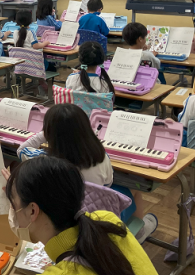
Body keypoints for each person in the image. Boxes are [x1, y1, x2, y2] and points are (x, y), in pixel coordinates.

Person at [0, 156, 159, 275]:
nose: (12, 209)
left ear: (33, 211)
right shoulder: (106, 219)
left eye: (13, 203)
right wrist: (18, 192)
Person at [17, 104, 157, 242]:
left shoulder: (43, 161)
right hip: (99, 218)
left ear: (49, 133)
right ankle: (139, 234)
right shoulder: (100, 155)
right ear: (85, 128)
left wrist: (45, 134)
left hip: (63, 222)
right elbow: (108, 183)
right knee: (135, 190)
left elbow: (21, 150)